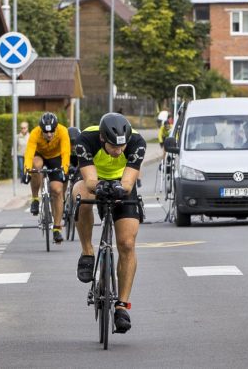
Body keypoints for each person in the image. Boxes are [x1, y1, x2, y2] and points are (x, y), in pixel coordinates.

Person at [72, 113, 147, 334]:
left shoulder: (136, 142)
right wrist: (100, 186)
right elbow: (88, 179)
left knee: (126, 243)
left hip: (121, 184)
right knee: (80, 196)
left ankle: (122, 306)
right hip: (94, 181)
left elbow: (129, 180)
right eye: (114, 146)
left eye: (122, 147)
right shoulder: (86, 140)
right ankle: (87, 251)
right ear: (103, 139)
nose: (118, 151)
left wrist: (121, 188)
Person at [24, 112, 71, 243]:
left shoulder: (62, 131)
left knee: (57, 190)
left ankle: (57, 228)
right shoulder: (35, 133)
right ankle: (35, 198)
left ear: (56, 128)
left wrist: (64, 170)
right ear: (41, 129)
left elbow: (66, 153)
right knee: (35, 166)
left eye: (52, 132)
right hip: (40, 155)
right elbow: (28, 154)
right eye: (46, 132)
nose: (49, 135)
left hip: (56, 158)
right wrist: (26, 171)